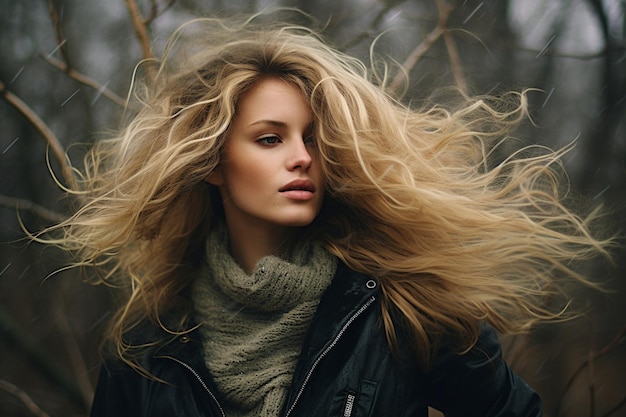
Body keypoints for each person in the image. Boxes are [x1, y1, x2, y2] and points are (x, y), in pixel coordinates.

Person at [47, 12, 611, 417]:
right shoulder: (149, 348)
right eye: (270, 139)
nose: (302, 157)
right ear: (213, 163)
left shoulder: (402, 310)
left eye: (314, 139)